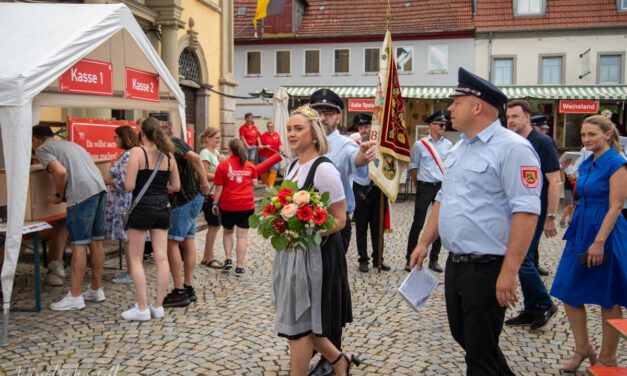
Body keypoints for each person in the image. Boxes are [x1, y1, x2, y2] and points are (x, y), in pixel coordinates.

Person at [410, 67, 541, 375]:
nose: (450, 109)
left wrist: (509, 272)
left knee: (479, 355)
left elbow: (526, 212)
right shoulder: (459, 148)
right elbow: (443, 199)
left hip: (487, 267)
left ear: (477, 106)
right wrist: (423, 242)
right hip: (457, 265)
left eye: (456, 102)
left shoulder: (513, 149)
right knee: (467, 338)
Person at [276, 105, 361, 376]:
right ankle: (339, 360)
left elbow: (339, 219)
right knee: (298, 321)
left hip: (318, 257)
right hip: (293, 254)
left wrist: (304, 232)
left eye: (298, 128)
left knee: (301, 325)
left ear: (314, 134)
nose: (291, 133)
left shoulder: (324, 170)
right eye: (289, 128)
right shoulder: (292, 166)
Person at [308, 88, 377, 376]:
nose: (323, 117)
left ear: (339, 116)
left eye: (329, 112)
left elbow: (357, 162)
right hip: (302, 228)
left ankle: (332, 355)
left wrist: (364, 155)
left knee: (329, 292)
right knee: (309, 289)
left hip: (334, 227)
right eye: (318, 111)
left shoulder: (345, 145)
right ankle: (316, 342)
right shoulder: (304, 141)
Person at [550, 115, 626, 372]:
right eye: (583, 135)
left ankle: (608, 357)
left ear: (607, 134)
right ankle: (583, 348)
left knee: (608, 297)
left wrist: (599, 242)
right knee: (567, 290)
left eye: (591, 134)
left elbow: (616, 207)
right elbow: (577, 194)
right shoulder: (586, 162)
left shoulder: (617, 164)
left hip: (606, 232)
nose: (586, 139)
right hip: (581, 229)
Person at [32, 125, 108, 311]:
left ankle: (75, 296)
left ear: (36, 139)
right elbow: (96, 171)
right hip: (99, 190)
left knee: (79, 245)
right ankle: (96, 290)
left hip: (81, 195)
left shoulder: (43, 149)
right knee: (96, 243)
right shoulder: (71, 145)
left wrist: (58, 195)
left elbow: (60, 172)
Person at [504, 100, 560, 331]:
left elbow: (555, 180)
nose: (511, 121)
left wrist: (551, 216)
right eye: (508, 117)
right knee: (524, 259)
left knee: (522, 259)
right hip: (516, 210)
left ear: (528, 117)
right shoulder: (513, 143)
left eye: (516, 116)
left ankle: (545, 303)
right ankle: (531, 309)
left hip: (535, 211)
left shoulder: (542, 142)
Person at [122, 117, 180, 321]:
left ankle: (142, 307)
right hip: (163, 207)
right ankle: (158, 306)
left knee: (136, 258)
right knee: (161, 257)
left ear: (141, 132)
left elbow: (129, 186)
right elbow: (176, 187)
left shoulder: (137, 152)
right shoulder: (169, 155)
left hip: (141, 208)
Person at [161, 124, 210, 308]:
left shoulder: (172, 143)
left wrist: (205, 183)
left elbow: (196, 158)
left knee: (172, 242)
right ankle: (188, 287)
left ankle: (179, 290)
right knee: (188, 239)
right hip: (192, 196)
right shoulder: (171, 144)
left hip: (184, 198)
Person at [405, 110, 452, 273]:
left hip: (441, 186)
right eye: (440, 124)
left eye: (444, 124)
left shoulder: (448, 145)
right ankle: (409, 258)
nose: (443, 127)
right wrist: (418, 185)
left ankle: (434, 259)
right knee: (418, 223)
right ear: (431, 126)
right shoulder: (420, 145)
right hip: (425, 186)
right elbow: (413, 167)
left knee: (439, 223)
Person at [212, 139, 257, 277]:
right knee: (242, 236)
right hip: (247, 205)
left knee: (228, 233)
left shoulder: (223, 166)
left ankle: (228, 259)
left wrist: (215, 204)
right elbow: (255, 184)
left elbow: (218, 189)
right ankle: (240, 267)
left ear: (230, 150)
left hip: (228, 205)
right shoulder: (250, 165)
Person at [103, 126, 139, 285]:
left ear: (124, 138)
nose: (114, 140)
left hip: (124, 201)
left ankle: (132, 272)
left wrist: (108, 181)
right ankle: (131, 271)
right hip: (122, 201)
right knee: (127, 239)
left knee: (128, 239)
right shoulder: (128, 154)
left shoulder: (128, 155)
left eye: (116, 137)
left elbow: (125, 182)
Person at [351, 113, 388, 273]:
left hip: (377, 188)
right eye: (361, 127)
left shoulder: (380, 143)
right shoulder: (353, 144)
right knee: (361, 226)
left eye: (367, 126)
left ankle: (378, 258)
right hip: (360, 188)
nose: (364, 130)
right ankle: (363, 259)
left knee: (377, 227)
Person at [199, 127, 226, 269]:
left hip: (216, 194)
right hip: (209, 196)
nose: (218, 140)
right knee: (214, 226)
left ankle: (206, 257)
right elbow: (202, 174)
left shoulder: (215, 152)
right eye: (216, 138)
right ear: (208, 138)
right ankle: (209, 258)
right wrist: (220, 176)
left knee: (215, 226)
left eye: (219, 137)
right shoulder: (205, 153)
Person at [258, 121, 283, 188]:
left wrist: (281, 150)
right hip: (264, 156)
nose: (270, 128)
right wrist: (265, 146)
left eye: (271, 126)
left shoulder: (276, 134)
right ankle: (265, 184)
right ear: (267, 127)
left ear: (273, 127)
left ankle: (271, 185)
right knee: (265, 170)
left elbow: (279, 144)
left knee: (275, 168)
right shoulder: (263, 135)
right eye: (268, 126)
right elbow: (259, 146)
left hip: (273, 156)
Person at [560, 158, 577, 228]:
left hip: (575, 187)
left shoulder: (576, 166)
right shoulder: (567, 166)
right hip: (568, 188)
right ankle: (562, 220)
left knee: (573, 205)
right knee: (569, 204)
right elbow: (572, 176)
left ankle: (570, 220)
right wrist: (577, 176)